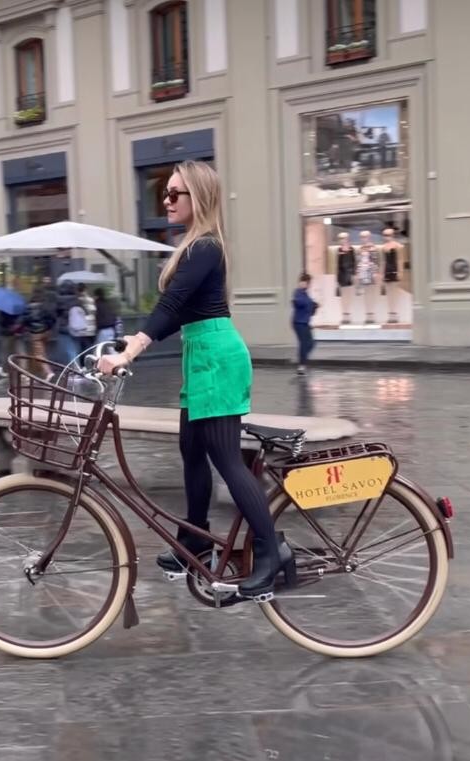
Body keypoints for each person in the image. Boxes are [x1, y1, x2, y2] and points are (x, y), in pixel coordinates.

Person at [97, 160, 292, 599]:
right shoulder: (194, 247)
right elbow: (180, 312)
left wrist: (132, 350)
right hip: (201, 355)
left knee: (226, 459)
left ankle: (270, 550)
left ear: (197, 198)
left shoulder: (205, 246)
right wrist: (137, 337)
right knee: (190, 450)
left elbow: (172, 305)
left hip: (217, 359)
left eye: (172, 194)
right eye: (162, 194)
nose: (164, 202)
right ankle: (197, 540)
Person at [22, 288, 56, 380]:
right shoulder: (45, 306)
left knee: (39, 354)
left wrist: (28, 327)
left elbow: (25, 320)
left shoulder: (28, 307)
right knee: (38, 352)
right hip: (45, 332)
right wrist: (48, 328)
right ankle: (33, 372)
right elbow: (52, 318)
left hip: (35, 333)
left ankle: (48, 372)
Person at [291, 273, 318, 375]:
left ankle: (301, 359)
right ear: (301, 282)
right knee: (303, 343)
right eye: (306, 282)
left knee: (311, 343)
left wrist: (315, 306)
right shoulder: (297, 292)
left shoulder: (306, 295)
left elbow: (310, 311)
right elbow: (297, 303)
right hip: (298, 322)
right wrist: (310, 303)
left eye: (308, 282)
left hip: (305, 322)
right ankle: (301, 365)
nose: (307, 284)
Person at [68, 283, 97, 355]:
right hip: (92, 328)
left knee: (81, 350)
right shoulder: (91, 300)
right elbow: (94, 311)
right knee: (89, 348)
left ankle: (84, 364)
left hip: (81, 329)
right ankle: (90, 363)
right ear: (86, 289)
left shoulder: (76, 300)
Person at [0, 309, 25, 378]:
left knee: (5, 352)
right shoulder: (19, 309)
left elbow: (1, 321)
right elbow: (23, 320)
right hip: (18, 332)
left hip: (7, 333)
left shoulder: (3, 309)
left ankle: (4, 370)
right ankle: (23, 371)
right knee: (20, 352)